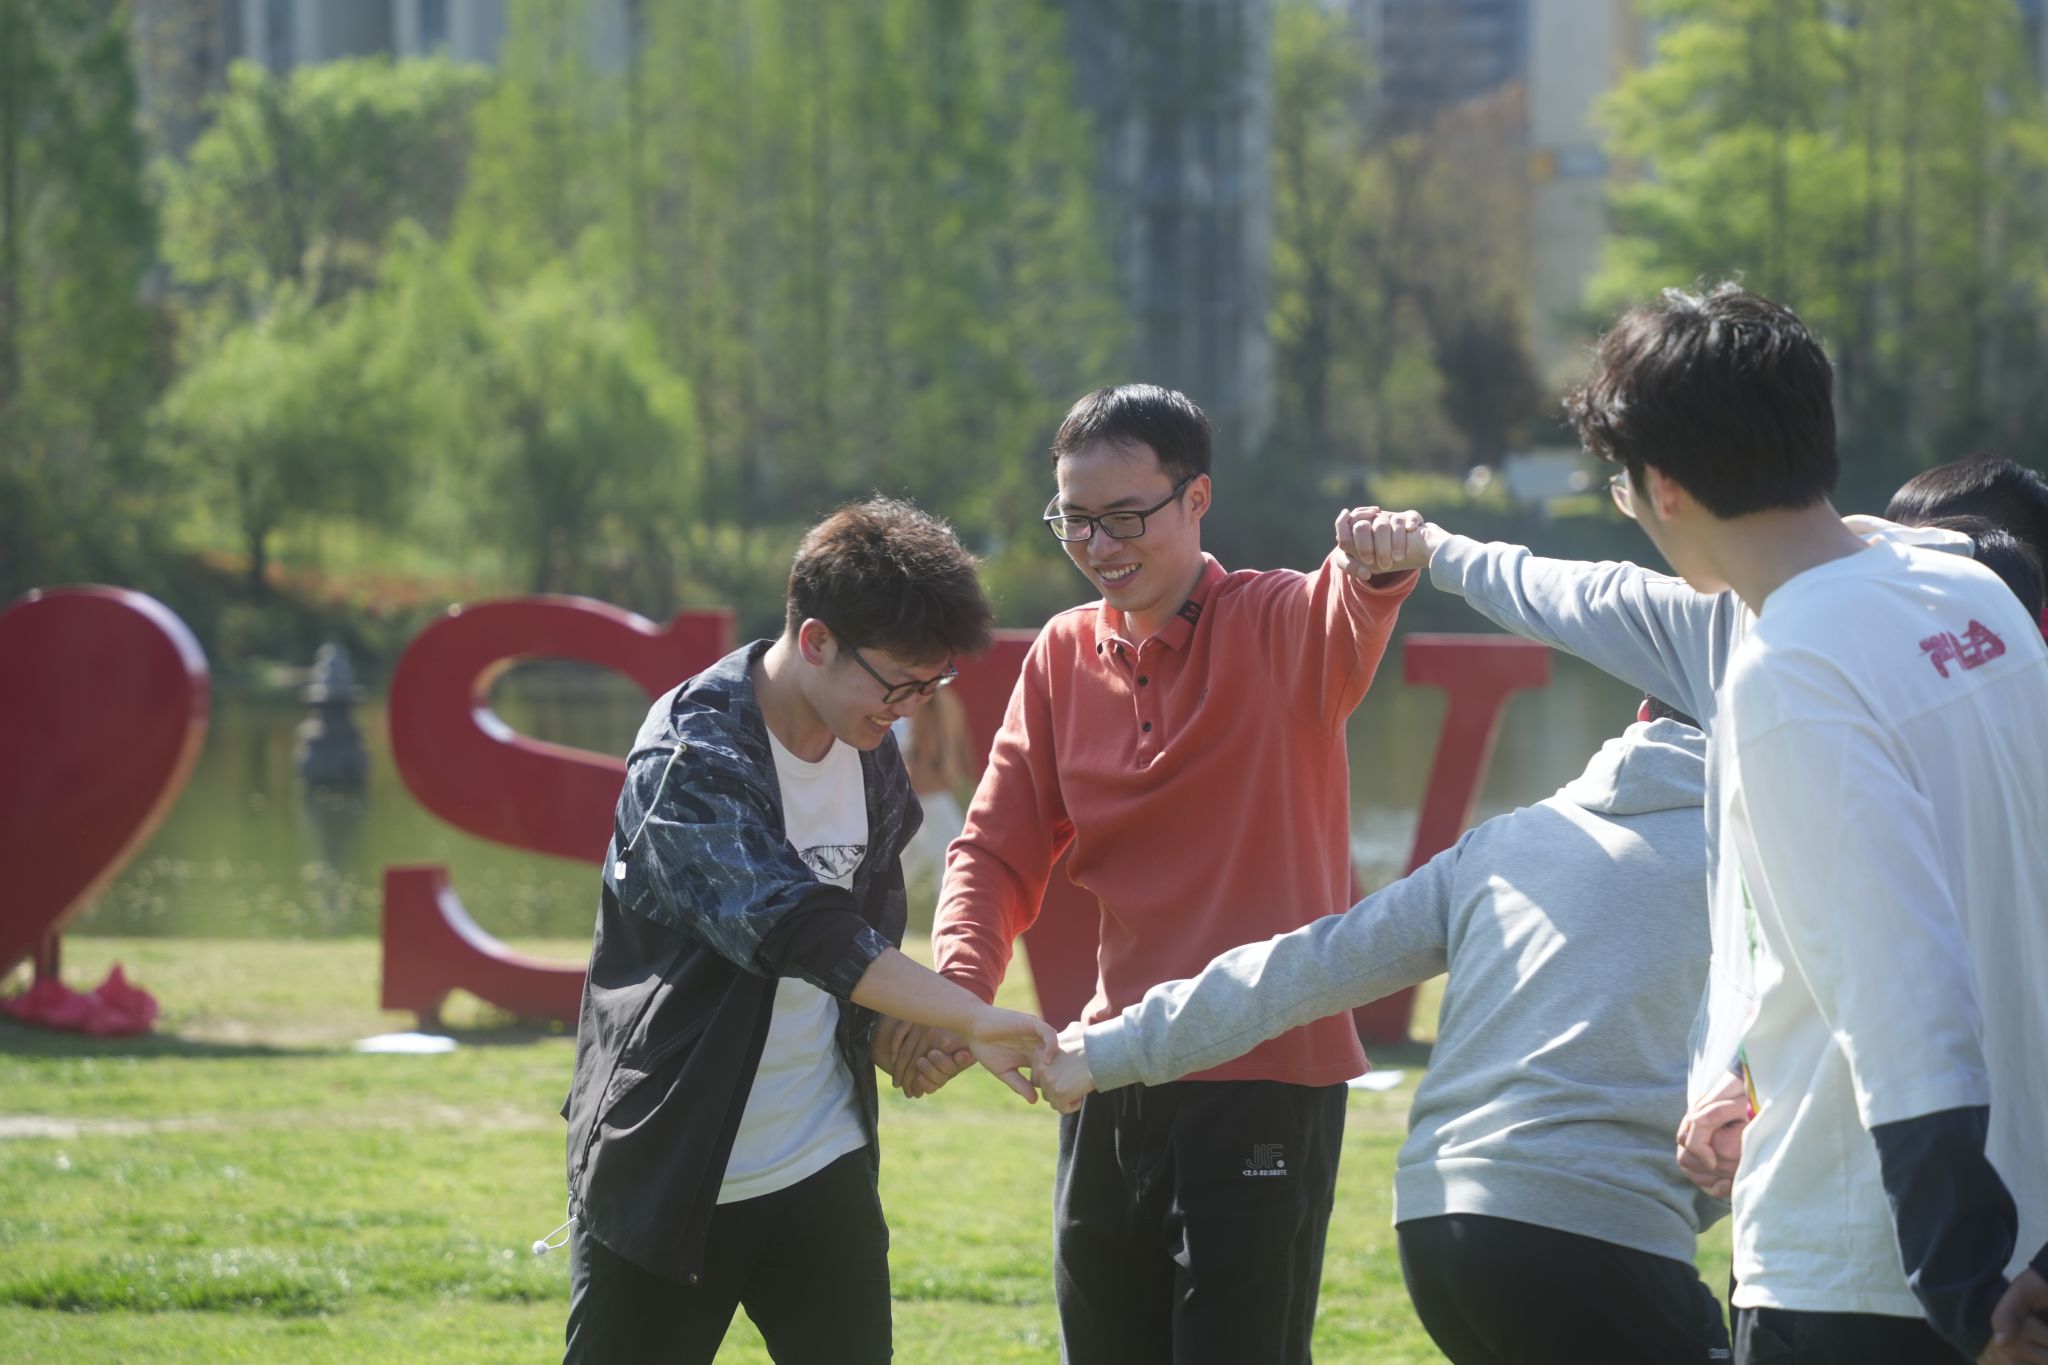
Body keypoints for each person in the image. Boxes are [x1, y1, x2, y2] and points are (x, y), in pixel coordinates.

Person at [1395, 286, 2048, 1364]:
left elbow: (1901, 990)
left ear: (1661, 485)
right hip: (2017, 1227)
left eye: (1620, 484)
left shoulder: (1789, 669)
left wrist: (1963, 1282)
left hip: (1868, 1262)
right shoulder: (1977, 603)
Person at [929, 383, 1424, 1365]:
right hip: (1108, 1065)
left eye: (1124, 516)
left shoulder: (1279, 622)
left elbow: (1347, 603)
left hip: (1263, 1073)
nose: (1098, 544)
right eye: (1074, 519)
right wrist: (957, 994)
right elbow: (992, 849)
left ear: (1197, 498)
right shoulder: (1060, 654)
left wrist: (1377, 562)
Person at [1036, 698, 1734, 1364]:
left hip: (1442, 1230)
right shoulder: (1760, 864)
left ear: (1641, 715)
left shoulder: (1507, 839)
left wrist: (1111, 1046)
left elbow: (1313, 964)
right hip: (1598, 1231)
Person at [558, 496, 1057, 1365]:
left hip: (823, 1161)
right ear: (818, 640)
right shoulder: (691, 750)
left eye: (931, 685)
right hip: (674, 1167)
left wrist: (890, 1031)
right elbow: (795, 926)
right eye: (898, 683)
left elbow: (858, 939)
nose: (911, 708)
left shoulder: (868, 746)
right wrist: (969, 1012)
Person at [891, 684, 976, 900]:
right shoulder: (932, 699)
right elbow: (913, 740)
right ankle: (948, 908)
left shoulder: (943, 699)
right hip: (928, 787)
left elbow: (959, 742)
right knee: (953, 851)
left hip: (933, 785)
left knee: (913, 855)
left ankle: (874, 901)